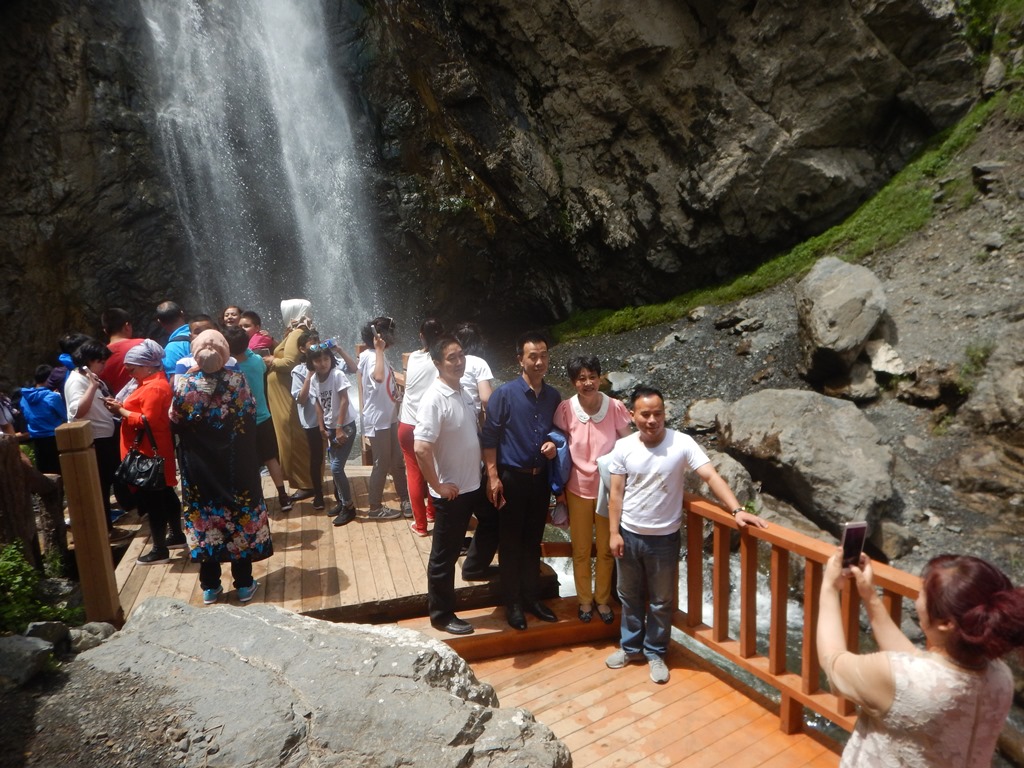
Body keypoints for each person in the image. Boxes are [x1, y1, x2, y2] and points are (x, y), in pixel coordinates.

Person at [605, 385, 767, 683]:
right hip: (628, 533)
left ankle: (655, 652)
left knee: (661, 600)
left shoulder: (682, 442)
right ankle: (630, 648)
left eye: (658, 413)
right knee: (628, 595)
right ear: (632, 415)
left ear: (665, 413)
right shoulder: (624, 447)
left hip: (664, 537)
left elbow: (710, 475)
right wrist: (613, 533)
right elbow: (616, 495)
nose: (652, 420)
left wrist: (736, 510)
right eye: (645, 414)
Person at [818, 552, 1023, 767]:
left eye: (922, 593)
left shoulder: (897, 677)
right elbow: (916, 664)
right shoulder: (1001, 677)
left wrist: (829, 588)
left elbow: (832, 662)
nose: (918, 598)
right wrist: (870, 597)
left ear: (945, 623)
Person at [172, 329, 272, 605]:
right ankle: (243, 585)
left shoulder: (184, 385)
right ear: (225, 353)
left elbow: (175, 420)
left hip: (199, 469)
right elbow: (250, 415)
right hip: (234, 466)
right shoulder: (237, 381)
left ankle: (210, 587)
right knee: (238, 518)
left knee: (206, 523)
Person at [478, 330, 562, 630]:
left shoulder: (553, 396)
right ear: (521, 360)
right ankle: (512, 603)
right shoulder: (504, 394)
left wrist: (555, 443)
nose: (539, 361)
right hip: (511, 478)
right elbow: (489, 438)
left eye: (544, 355)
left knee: (532, 541)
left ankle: (532, 598)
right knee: (510, 543)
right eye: (533, 356)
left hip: (540, 480)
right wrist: (492, 477)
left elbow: (560, 432)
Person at [414, 336, 486, 635]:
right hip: (452, 492)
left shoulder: (464, 392)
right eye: (451, 358)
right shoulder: (434, 399)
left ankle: (475, 566)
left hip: (475, 483)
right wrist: (438, 485)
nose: (458, 362)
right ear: (437, 364)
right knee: (444, 554)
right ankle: (442, 615)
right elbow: (421, 448)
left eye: (461, 356)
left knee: (495, 520)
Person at [553, 355, 632, 624]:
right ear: (573, 381)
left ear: (600, 377)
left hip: (609, 490)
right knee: (581, 549)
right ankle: (585, 600)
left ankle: (603, 599)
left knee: (608, 548)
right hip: (576, 488)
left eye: (592, 376)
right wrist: (558, 489)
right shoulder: (566, 409)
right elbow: (560, 446)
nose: (587, 382)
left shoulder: (615, 408)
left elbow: (629, 444)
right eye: (581, 378)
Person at [104, 340, 185, 564]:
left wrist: (120, 410)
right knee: (165, 493)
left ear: (147, 366)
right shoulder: (147, 383)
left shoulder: (155, 387)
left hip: (149, 451)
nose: (128, 372)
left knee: (154, 500)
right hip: (150, 449)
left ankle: (159, 549)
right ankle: (176, 536)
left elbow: (148, 420)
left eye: (132, 368)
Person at [224, 326, 293, 512]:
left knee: (249, 462)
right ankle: (283, 496)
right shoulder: (255, 361)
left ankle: (256, 499)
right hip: (263, 416)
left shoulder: (230, 369)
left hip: (242, 421)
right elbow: (261, 365)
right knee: (271, 458)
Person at [64, 339, 127, 537]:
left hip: (104, 436)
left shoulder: (88, 377)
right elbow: (77, 411)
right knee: (99, 487)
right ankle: (105, 530)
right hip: (95, 439)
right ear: (89, 361)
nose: (103, 365)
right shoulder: (77, 380)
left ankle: (107, 527)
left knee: (104, 485)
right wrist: (92, 387)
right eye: (100, 362)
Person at [357, 316, 409, 520]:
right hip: (378, 420)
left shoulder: (377, 355)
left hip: (389, 416)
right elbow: (377, 377)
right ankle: (375, 507)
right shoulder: (371, 356)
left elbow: (384, 382)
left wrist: (396, 396)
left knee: (397, 460)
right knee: (382, 462)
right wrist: (379, 350)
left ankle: (405, 498)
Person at [399, 318, 445, 536]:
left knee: (414, 473)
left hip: (408, 423)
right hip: (431, 424)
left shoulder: (415, 358)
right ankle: (431, 512)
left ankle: (420, 526)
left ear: (421, 336)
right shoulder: (442, 361)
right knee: (434, 469)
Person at [265, 299, 316, 498]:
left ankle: (306, 483)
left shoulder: (297, 333)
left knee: (294, 436)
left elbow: (289, 363)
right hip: (285, 392)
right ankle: (307, 480)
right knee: (295, 435)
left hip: (287, 394)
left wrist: (270, 360)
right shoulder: (300, 331)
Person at [308, 343, 359, 526]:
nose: (322, 363)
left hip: (345, 426)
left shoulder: (337, 375)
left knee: (336, 468)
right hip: (330, 428)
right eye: (318, 360)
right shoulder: (314, 379)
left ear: (331, 359)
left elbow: (345, 400)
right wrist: (321, 426)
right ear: (312, 362)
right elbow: (318, 405)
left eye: (326, 359)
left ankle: (349, 507)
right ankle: (341, 503)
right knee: (334, 467)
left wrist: (338, 427)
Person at [291, 330, 326, 510]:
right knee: (316, 457)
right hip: (311, 421)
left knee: (335, 458)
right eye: (312, 346)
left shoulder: (327, 363)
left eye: (318, 344)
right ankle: (318, 494)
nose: (316, 349)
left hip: (331, 418)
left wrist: (339, 350)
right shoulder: (298, 371)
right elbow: (301, 398)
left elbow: (352, 369)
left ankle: (340, 494)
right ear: (302, 350)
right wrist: (309, 375)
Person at [20, 364, 67, 474]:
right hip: (54, 438)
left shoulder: (24, 398)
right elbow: (65, 416)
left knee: (46, 475)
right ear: (49, 379)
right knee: (61, 473)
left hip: (37, 440)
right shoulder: (52, 397)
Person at [453, 322, 494, 420]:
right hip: (471, 417)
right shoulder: (479, 363)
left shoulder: (450, 363)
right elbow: (486, 399)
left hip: (452, 412)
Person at [99, 308, 144, 394]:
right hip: (149, 399)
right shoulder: (143, 344)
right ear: (127, 326)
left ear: (105, 331)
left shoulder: (99, 356)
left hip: (120, 405)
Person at [155, 301, 191, 376]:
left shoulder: (171, 349)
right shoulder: (205, 333)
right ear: (182, 313)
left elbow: (173, 380)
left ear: (160, 322)